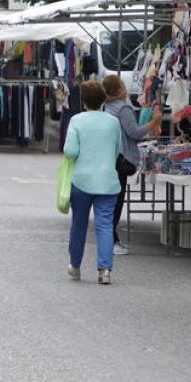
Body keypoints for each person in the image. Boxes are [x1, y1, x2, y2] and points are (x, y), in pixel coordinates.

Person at [64, 80, 122, 285]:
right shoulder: (113, 122)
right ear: (103, 99)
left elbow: (70, 151)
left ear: (83, 100)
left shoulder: (77, 121)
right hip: (108, 180)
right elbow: (118, 150)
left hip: (82, 179)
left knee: (79, 224)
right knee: (105, 225)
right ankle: (104, 270)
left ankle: (75, 266)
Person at [102, 75, 160, 256]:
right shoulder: (123, 108)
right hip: (121, 159)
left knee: (108, 201)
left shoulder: (106, 106)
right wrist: (153, 123)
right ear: (119, 89)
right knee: (116, 201)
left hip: (109, 157)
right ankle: (111, 241)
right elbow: (134, 132)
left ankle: (111, 239)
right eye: (122, 85)